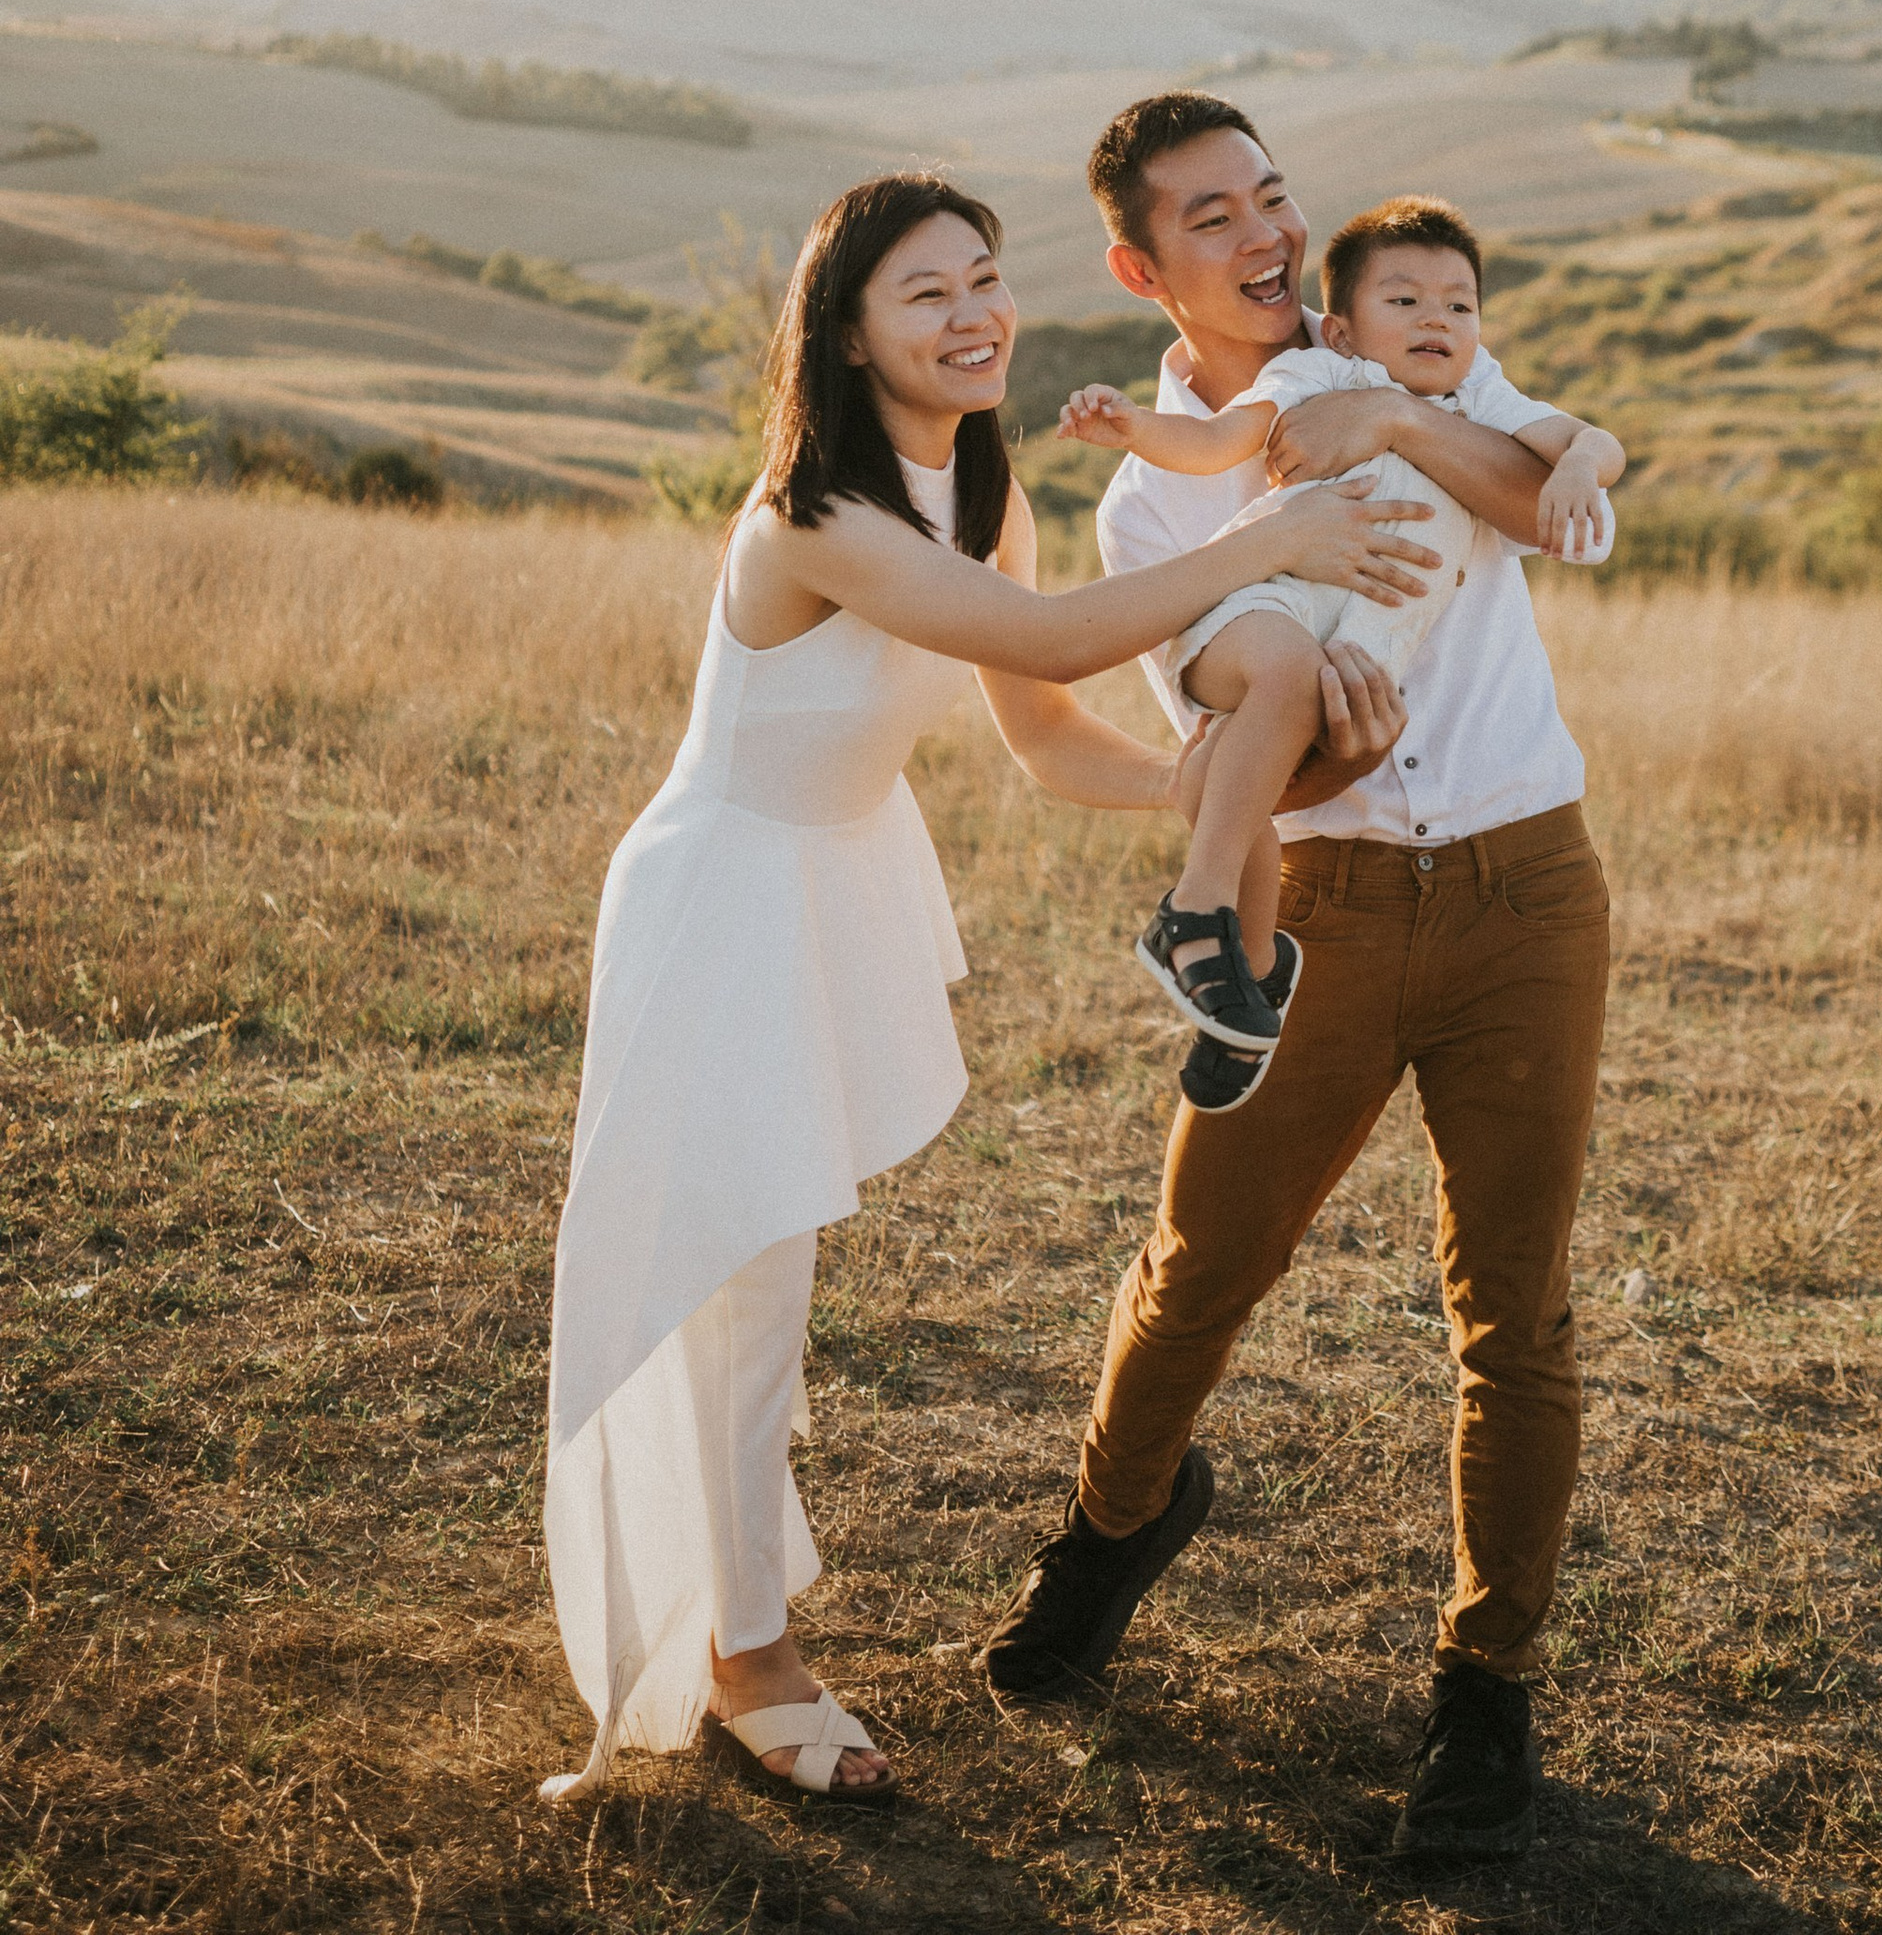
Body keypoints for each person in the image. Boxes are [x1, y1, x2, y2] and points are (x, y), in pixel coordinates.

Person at [538, 169, 1429, 1808]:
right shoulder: (818, 516)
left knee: (765, 1281)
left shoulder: (985, 494)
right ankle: (745, 1661)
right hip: (724, 895)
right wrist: (1274, 532)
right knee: (730, 1278)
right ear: (850, 333)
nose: (975, 317)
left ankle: (738, 1629)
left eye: (986, 280)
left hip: (829, 880)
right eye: (927, 295)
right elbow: (1069, 633)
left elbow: (1044, 731)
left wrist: (1223, 778)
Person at [983, 101, 1618, 1867]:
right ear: (1143, 266)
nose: (1264, 230)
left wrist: (1404, 410)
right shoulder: (1144, 503)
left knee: (1518, 1310)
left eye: (1273, 193)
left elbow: (1546, 506)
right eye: (1214, 214)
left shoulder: (1405, 345)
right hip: (1319, 911)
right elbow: (1247, 768)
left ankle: (1486, 1692)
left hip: (1527, 888)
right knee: (1201, 1266)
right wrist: (1326, 740)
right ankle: (1114, 1525)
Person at [1056, 194, 1620, 1098]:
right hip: (1262, 621)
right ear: (1349, 332)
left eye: (1460, 305)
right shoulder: (1317, 381)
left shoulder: (1479, 398)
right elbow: (1213, 443)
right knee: (1269, 693)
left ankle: (1246, 981)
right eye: (1406, 302)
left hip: (1491, 837)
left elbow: (1585, 456)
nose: (1437, 318)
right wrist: (1131, 428)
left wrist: (1574, 463)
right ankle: (1196, 917)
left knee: (1231, 757)